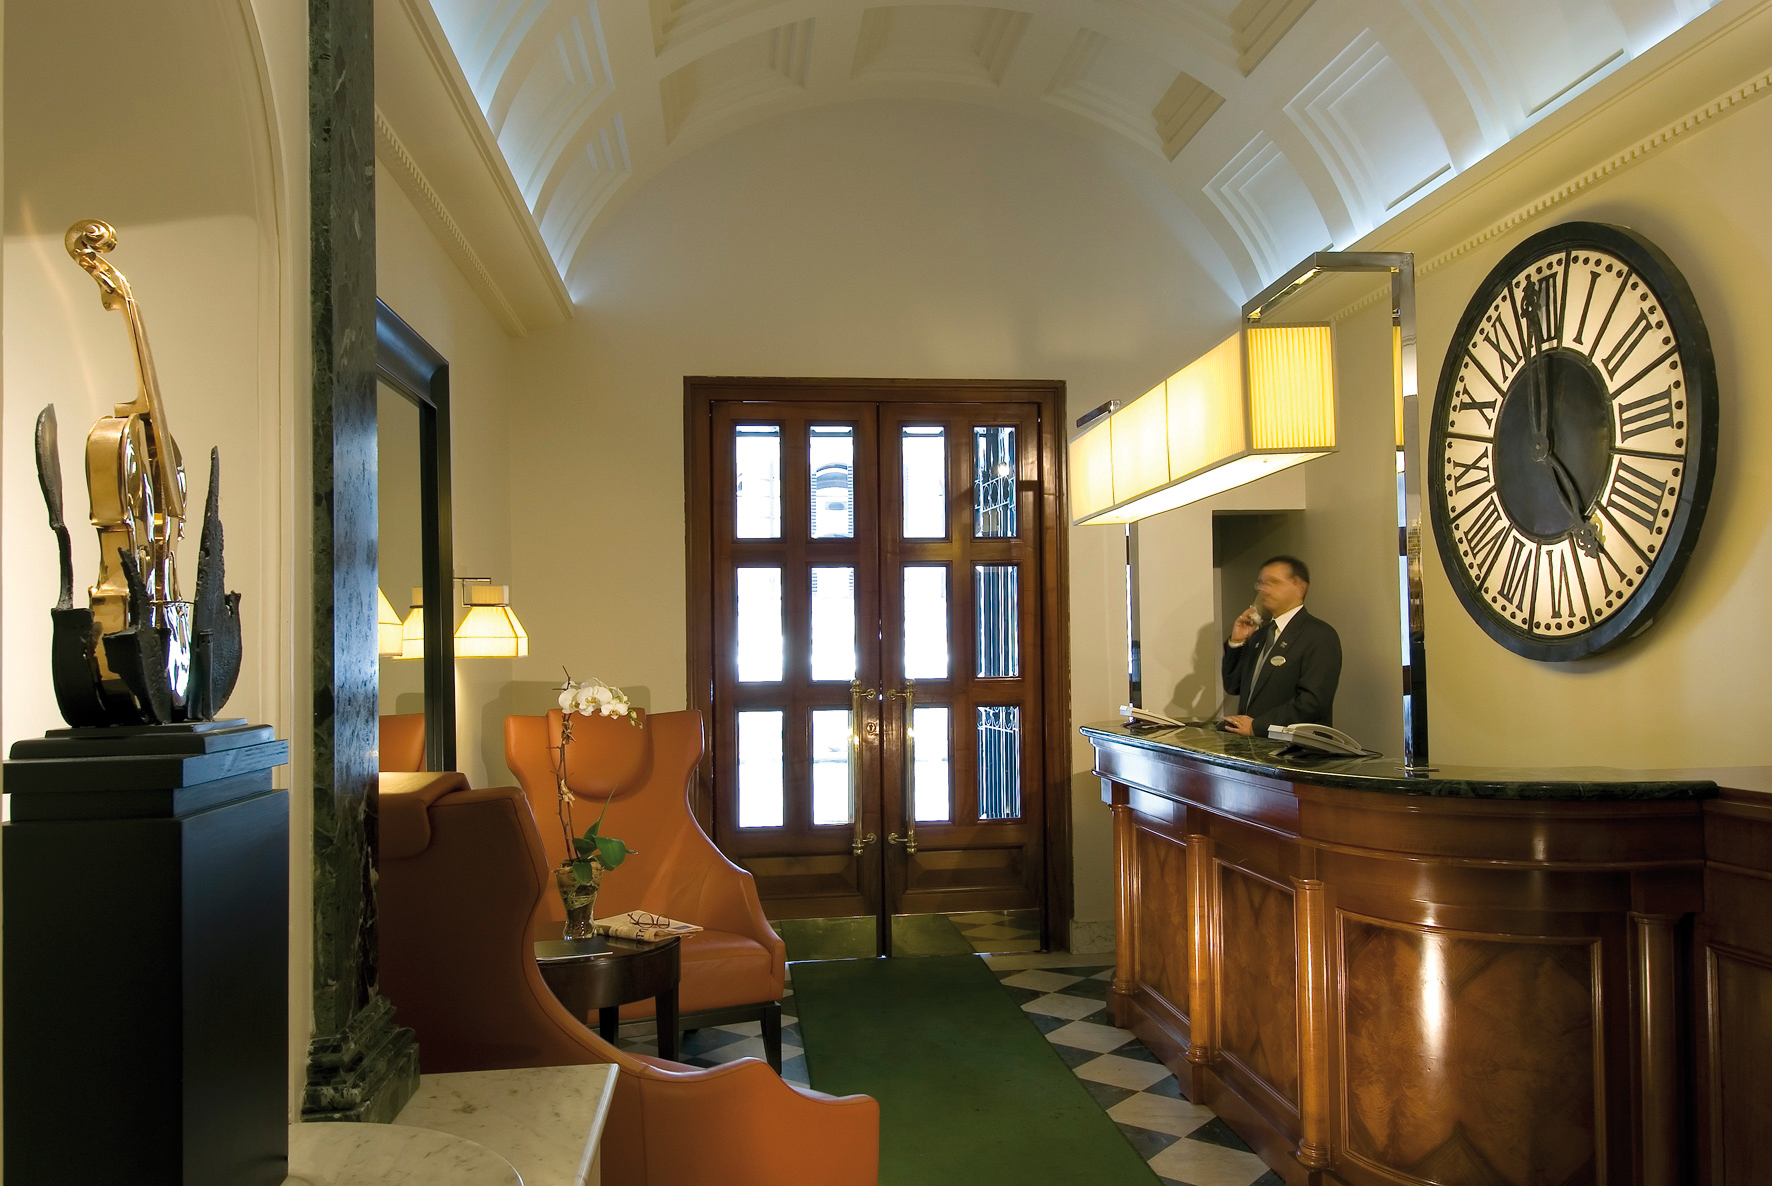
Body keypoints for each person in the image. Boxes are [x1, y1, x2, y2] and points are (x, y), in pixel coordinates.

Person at [1220, 556, 1341, 738]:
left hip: (1296, 752)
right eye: (1261, 584)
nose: (1264, 590)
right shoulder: (1260, 635)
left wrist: (1258, 726)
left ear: (1300, 587)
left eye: (1273, 582)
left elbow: (1312, 702)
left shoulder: (1319, 635)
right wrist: (1237, 642)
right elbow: (1233, 685)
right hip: (1254, 750)